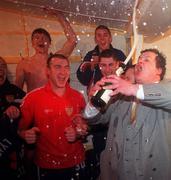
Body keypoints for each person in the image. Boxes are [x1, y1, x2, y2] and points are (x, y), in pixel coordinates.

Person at [84, 48, 171, 180]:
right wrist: (95, 101)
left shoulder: (165, 90)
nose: (140, 62)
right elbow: (95, 119)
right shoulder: (121, 98)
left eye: (146, 59)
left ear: (159, 70)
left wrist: (132, 88)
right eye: (139, 59)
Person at [18, 54, 88, 180]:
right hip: (46, 166)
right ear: (48, 71)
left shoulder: (78, 97)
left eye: (66, 67)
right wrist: (26, 135)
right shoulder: (32, 98)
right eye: (58, 67)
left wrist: (78, 133)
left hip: (76, 162)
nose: (63, 71)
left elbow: (84, 128)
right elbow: (19, 130)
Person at [15, 9, 77, 92]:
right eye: (37, 38)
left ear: (49, 43)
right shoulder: (23, 64)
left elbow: (73, 40)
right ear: (32, 43)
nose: (41, 40)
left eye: (44, 38)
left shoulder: (56, 59)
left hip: (55, 102)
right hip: (35, 103)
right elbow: (17, 91)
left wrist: (59, 15)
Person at [85, 49, 120, 179]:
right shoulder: (97, 86)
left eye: (111, 65)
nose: (107, 69)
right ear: (99, 66)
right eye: (103, 65)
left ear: (117, 64)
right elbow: (92, 118)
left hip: (121, 139)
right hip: (101, 135)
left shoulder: (126, 84)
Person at [77, 25, 126, 89]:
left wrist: (116, 69)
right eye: (99, 35)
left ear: (110, 38)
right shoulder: (90, 55)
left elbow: (127, 75)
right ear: (95, 40)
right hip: (97, 93)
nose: (102, 38)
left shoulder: (119, 54)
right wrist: (91, 67)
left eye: (105, 35)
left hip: (117, 92)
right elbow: (83, 81)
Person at [0, 57, 26, 179]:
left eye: (2, 66)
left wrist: (18, 110)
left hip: (15, 154)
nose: (0, 69)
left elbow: (29, 110)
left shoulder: (15, 91)